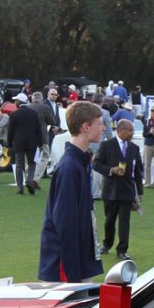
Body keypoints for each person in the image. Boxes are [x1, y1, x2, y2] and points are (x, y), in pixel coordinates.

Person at [39, 101, 105, 283]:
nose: (103, 128)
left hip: (80, 261)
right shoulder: (69, 167)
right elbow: (64, 223)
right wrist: (72, 274)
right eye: (99, 124)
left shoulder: (81, 162)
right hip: (66, 267)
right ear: (86, 127)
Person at [94, 118, 145, 260]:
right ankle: (107, 244)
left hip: (127, 190)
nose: (132, 133)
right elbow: (96, 164)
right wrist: (111, 170)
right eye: (130, 130)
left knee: (124, 222)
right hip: (110, 190)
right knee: (109, 220)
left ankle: (122, 250)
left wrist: (139, 192)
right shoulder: (106, 145)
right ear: (120, 130)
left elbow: (138, 171)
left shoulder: (134, 148)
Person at [6, 98, 45, 195]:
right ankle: (30, 180)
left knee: (19, 165)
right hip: (32, 142)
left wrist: (9, 144)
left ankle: (20, 187)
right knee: (32, 163)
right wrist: (41, 143)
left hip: (19, 143)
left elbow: (10, 131)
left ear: (18, 102)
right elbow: (38, 130)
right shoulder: (34, 113)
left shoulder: (14, 114)